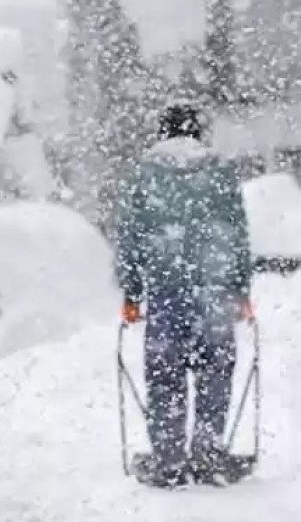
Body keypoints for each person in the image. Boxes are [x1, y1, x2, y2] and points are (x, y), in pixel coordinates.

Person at [115, 102, 255, 488]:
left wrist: (131, 291)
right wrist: (241, 289)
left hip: (166, 290)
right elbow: (236, 233)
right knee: (215, 374)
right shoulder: (222, 171)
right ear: (198, 132)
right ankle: (209, 457)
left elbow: (131, 235)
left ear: (164, 132)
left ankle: (169, 461)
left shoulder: (146, 174)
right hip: (215, 291)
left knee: (165, 376)